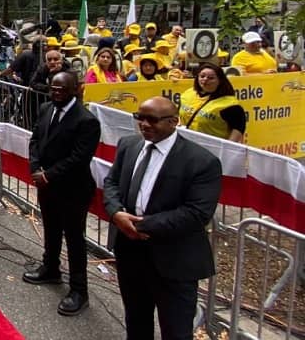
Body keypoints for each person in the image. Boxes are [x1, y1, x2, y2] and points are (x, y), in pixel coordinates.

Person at [102, 97, 222, 340]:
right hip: (130, 254)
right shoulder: (128, 145)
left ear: (173, 121)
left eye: (153, 120)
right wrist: (116, 213)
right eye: (140, 118)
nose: (145, 124)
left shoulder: (201, 161)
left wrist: (139, 225)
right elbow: (112, 182)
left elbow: (197, 213)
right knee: (136, 322)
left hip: (174, 262)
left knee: (176, 332)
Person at [24, 72, 100, 317]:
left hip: (73, 188)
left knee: (74, 238)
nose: (56, 93)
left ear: (76, 89)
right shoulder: (46, 108)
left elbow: (79, 157)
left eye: (62, 90)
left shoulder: (86, 120)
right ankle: (51, 268)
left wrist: (49, 175)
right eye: (53, 89)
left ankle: (79, 290)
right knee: (51, 228)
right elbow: (35, 139)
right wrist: (36, 168)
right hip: (47, 185)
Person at [179, 62, 246, 143]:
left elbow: (238, 129)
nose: (205, 79)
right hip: (186, 143)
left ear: (220, 81)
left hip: (212, 148)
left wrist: (227, 148)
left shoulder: (230, 105)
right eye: (202, 76)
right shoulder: (188, 94)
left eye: (211, 78)